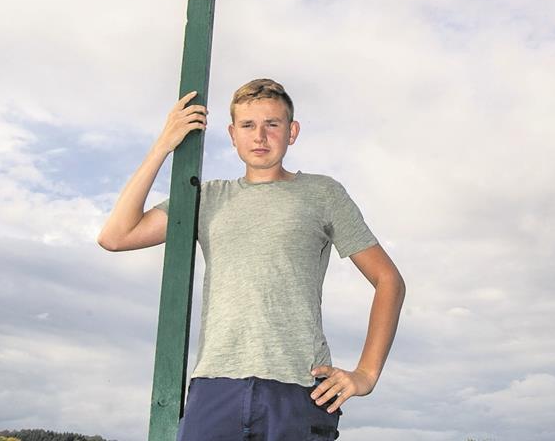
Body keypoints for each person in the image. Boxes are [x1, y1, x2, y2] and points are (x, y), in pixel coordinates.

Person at [98, 79, 405, 441]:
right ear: (232, 134)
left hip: (298, 386)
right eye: (247, 125)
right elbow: (115, 236)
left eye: (272, 124)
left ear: (292, 132)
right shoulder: (208, 197)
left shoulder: (323, 193)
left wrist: (366, 374)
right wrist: (164, 145)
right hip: (216, 384)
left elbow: (389, 281)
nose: (260, 135)